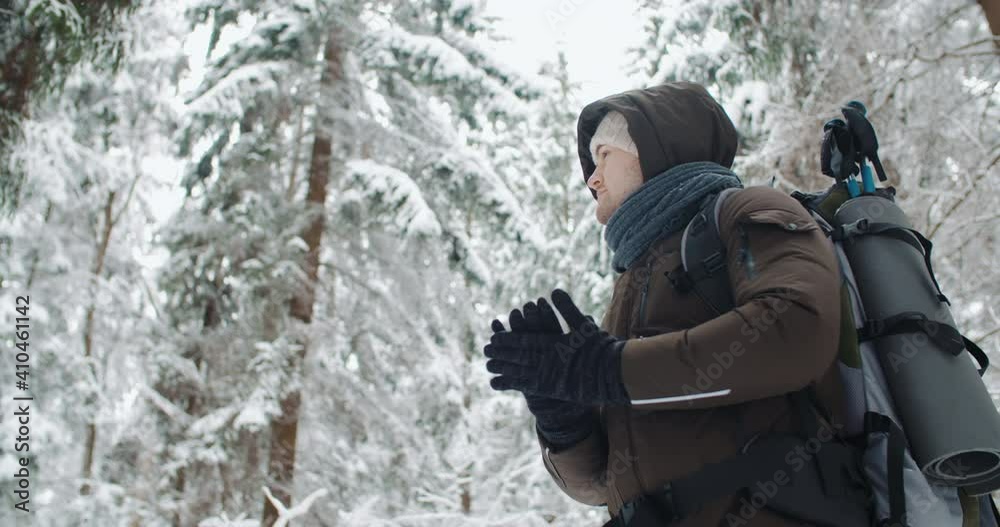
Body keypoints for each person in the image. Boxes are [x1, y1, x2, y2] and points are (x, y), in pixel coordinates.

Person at [483, 82, 868, 526]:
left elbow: (796, 331)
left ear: (655, 148)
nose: (592, 178)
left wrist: (608, 370)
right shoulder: (632, 282)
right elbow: (601, 486)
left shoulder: (746, 211)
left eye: (604, 154)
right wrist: (563, 416)